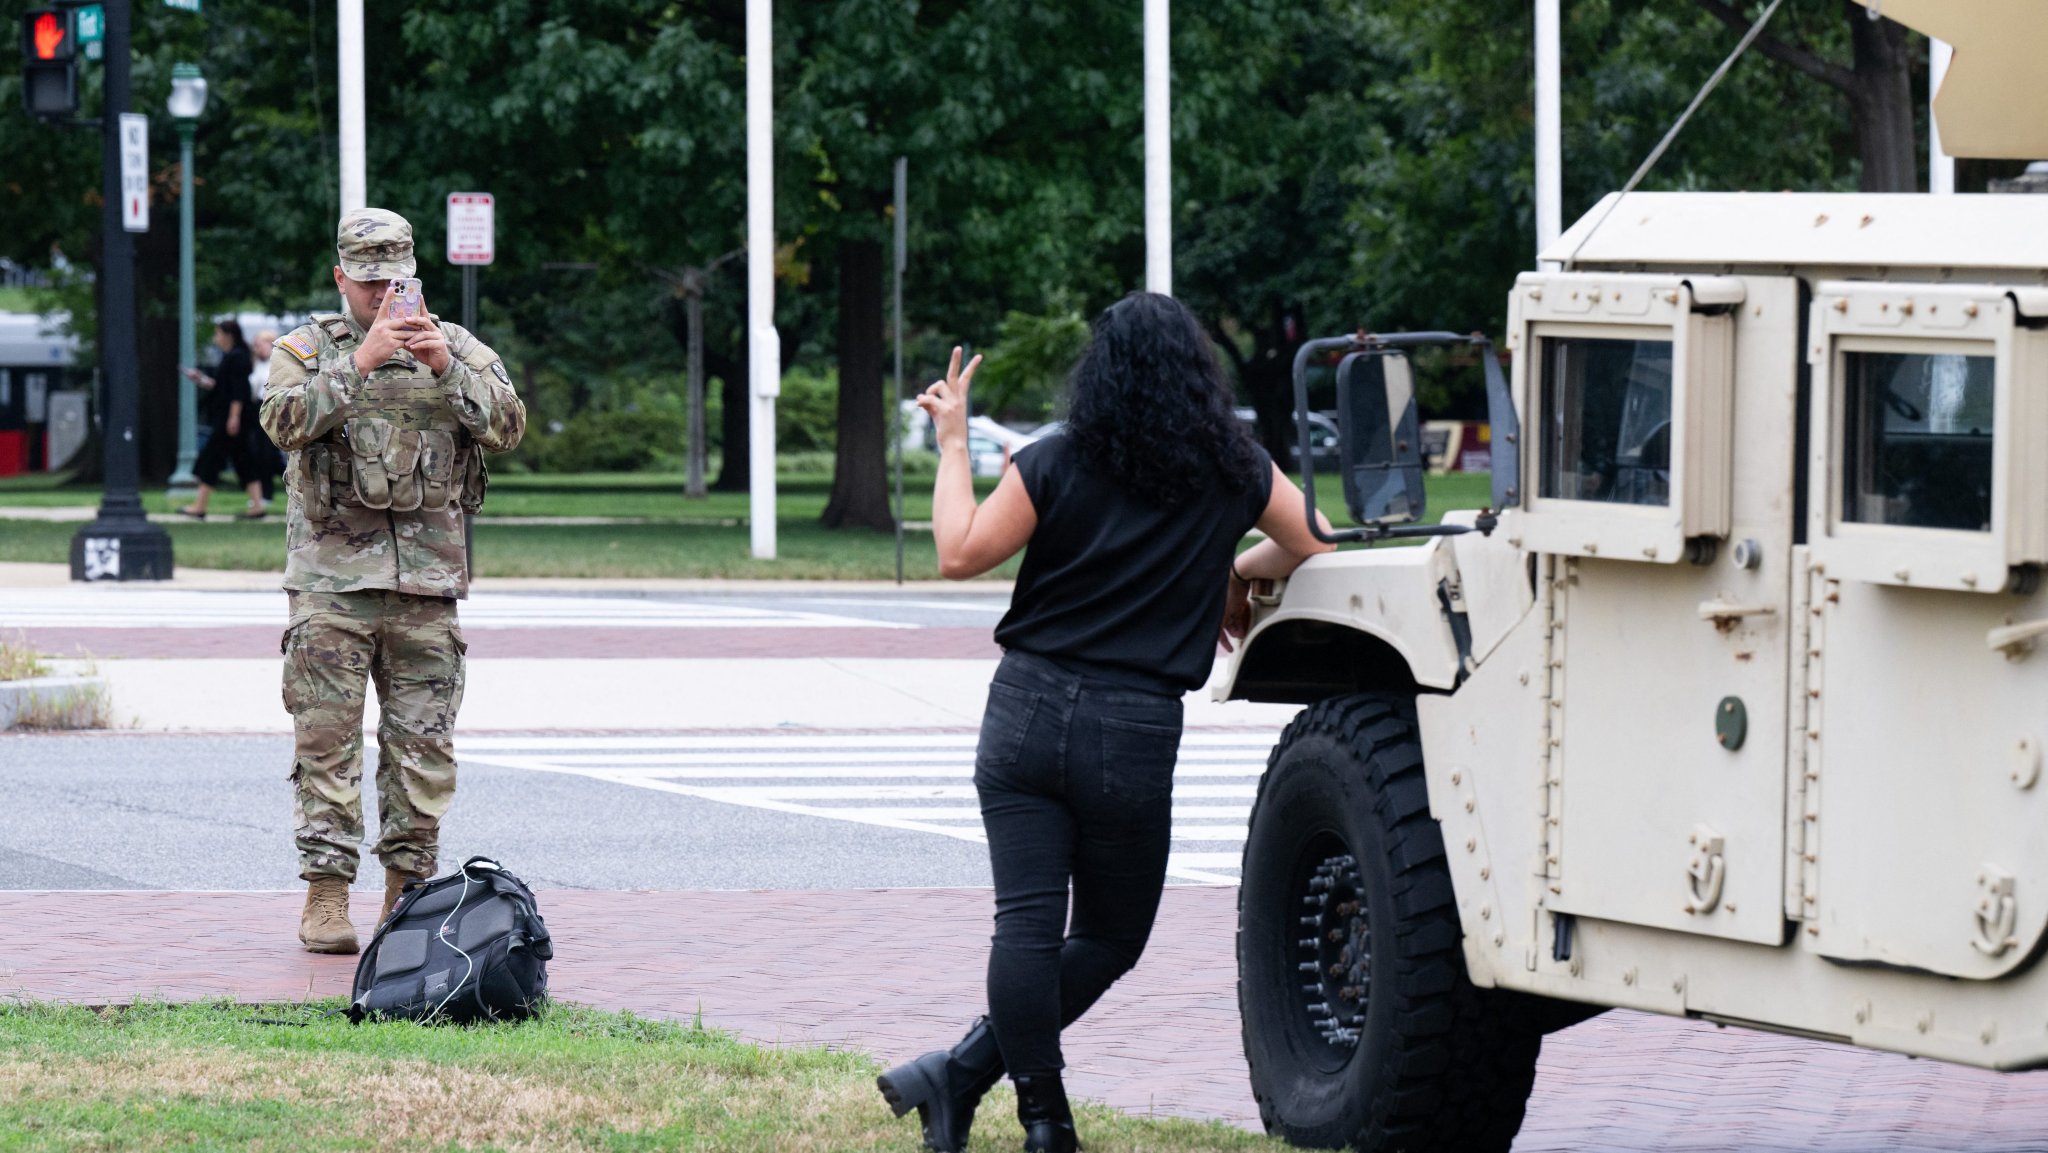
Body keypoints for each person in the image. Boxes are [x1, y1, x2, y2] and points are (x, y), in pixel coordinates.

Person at [876, 292, 1334, 1153]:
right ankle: (994, 1091)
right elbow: (1319, 541)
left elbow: (957, 551)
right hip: (1131, 727)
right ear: (1199, 372)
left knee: (1025, 926)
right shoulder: (1235, 469)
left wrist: (950, 442)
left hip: (1024, 709)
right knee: (1111, 936)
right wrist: (1236, 563)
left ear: (1100, 374)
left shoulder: (1055, 459)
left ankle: (1019, 1106)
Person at [259, 208, 525, 955]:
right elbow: (280, 422)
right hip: (331, 589)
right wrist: (361, 362)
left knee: (422, 749)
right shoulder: (306, 349)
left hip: (427, 590)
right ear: (342, 278)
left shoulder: (458, 348)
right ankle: (325, 894)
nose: (382, 296)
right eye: (368, 282)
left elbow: (508, 426)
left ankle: (407, 899)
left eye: (394, 282)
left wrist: (446, 367)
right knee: (327, 744)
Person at [177, 319, 267, 519]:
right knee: (243, 459)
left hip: (231, 418)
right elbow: (224, 387)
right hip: (231, 417)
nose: (215, 338)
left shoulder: (237, 358)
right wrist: (203, 380)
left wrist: (233, 417)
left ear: (228, 335)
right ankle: (257, 506)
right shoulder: (234, 357)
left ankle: (199, 506)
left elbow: (238, 391)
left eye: (218, 334)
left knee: (212, 457)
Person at [245, 329, 286, 502]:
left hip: (272, 408)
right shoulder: (256, 364)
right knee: (260, 452)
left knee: (267, 453)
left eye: (260, 345)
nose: (257, 349)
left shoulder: (277, 363)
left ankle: (267, 492)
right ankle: (264, 492)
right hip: (256, 408)